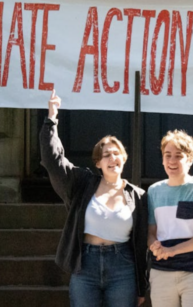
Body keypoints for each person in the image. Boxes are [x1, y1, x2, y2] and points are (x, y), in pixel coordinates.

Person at [39, 90, 148, 307]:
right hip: (85, 264)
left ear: (124, 159)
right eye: (106, 155)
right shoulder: (83, 183)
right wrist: (51, 119)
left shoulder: (138, 196)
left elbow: (143, 242)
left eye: (116, 154)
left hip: (123, 267)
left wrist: (142, 285)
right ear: (98, 163)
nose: (112, 158)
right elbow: (53, 161)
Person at [148, 130, 193, 307]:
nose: (172, 161)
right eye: (167, 155)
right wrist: (154, 245)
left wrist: (173, 250)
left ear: (190, 159)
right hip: (162, 272)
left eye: (178, 156)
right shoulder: (153, 191)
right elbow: (150, 232)